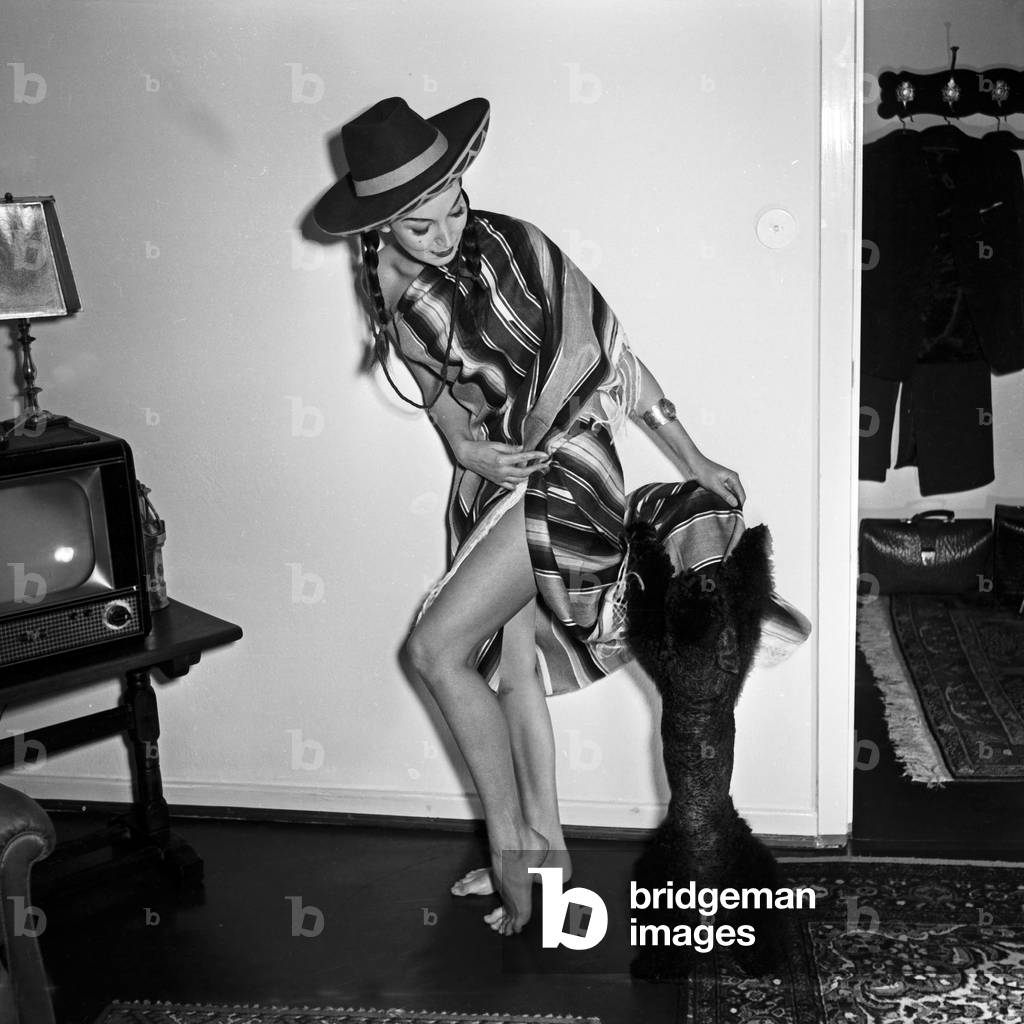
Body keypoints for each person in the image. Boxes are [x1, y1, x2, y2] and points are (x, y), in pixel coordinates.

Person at [312, 96, 758, 937]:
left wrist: (694, 459)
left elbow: (613, 356)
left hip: (567, 469)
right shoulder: (390, 288)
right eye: (419, 228)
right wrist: (466, 451)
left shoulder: (516, 244)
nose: (445, 237)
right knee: (507, 673)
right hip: (493, 485)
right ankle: (541, 848)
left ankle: (519, 851)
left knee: (434, 651)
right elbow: (442, 398)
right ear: (379, 229)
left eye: (452, 209)